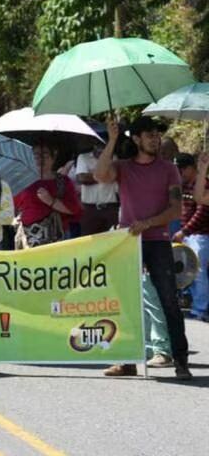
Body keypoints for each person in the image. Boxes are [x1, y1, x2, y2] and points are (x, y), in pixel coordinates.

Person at [95, 116, 191, 379]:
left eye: (156, 135)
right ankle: (127, 361)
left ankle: (181, 360)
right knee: (126, 302)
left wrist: (147, 223)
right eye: (149, 135)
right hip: (127, 242)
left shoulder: (168, 169)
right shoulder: (123, 167)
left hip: (158, 241)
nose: (155, 139)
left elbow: (175, 209)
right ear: (136, 139)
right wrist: (113, 139)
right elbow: (99, 175)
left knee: (169, 301)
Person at [14, 144, 83, 248]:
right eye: (36, 155)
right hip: (28, 237)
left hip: (58, 238)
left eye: (44, 155)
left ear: (53, 157)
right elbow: (13, 207)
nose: (40, 159)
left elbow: (74, 209)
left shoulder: (63, 181)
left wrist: (51, 201)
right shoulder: (22, 180)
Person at [175, 153, 209, 321]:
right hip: (189, 235)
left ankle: (200, 309)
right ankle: (195, 305)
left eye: (181, 169)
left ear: (189, 168)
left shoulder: (203, 185)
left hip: (201, 236)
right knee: (190, 273)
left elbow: (202, 211)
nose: (179, 173)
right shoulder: (185, 186)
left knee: (199, 273)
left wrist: (185, 231)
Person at [76, 143, 120, 236]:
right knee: (88, 242)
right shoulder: (83, 157)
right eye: (98, 144)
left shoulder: (114, 157)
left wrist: (92, 175)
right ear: (94, 145)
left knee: (113, 239)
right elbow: (82, 178)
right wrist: (105, 175)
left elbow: (115, 177)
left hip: (110, 207)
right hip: (90, 208)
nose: (101, 147)